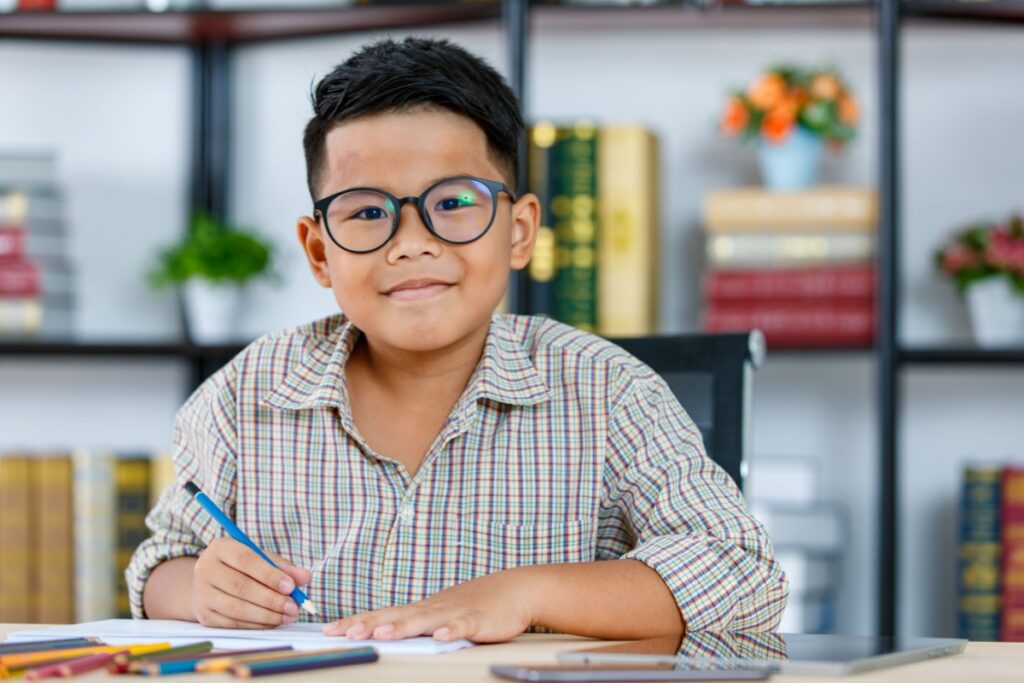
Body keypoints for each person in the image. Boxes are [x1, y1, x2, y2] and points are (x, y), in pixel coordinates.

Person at [128, 36, 787, 643]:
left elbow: (743, 572)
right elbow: (159, 564)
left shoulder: (609, 393)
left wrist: (529, 592)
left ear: (520, 230)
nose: (412, 243)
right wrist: (199, 587)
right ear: (319, 250)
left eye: (453, 202)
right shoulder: (246, 396)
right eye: (366, 212)